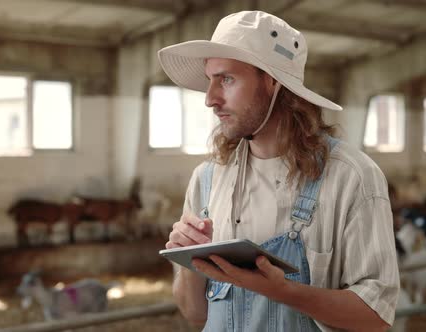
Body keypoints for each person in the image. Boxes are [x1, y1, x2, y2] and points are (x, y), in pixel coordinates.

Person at [158, 11, 399, 331]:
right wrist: (189, 260)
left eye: (226, 79)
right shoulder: (208, 178)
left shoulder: (351, 178)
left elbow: (376, 318)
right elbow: (196, 314)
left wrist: (282, 291)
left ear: (272, 81)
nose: (210, 99)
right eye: (210, 80)